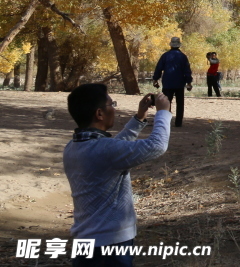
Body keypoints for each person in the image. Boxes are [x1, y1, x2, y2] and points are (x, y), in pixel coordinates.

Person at [64, 84, 170, 266]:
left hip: (86, 242)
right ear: (99, 114)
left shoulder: (73, 147)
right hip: (110, 246)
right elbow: (156, 146)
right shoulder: (104, 150)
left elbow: (115, 148)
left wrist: (139, 117)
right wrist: (163, 113)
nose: (114, 108)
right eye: (111, 104)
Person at [152, 37, 192, 127]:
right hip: (180, 83)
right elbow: (187, 70)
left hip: (167, 82)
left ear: (171, 45)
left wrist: (155, 79)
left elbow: (158, 68)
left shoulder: (165, 55)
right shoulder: (183, 56)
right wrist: (189, 82)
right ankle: (178, 122)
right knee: (180, 103)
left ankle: (166, 121)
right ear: (179, 45)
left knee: (166, 102)